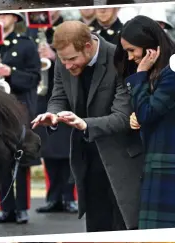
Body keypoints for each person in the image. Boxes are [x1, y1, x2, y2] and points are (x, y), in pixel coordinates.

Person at [32, 20, 144, 232]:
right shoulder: (64, 58)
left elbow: (123, 117)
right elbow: (58, 96)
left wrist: (85, 124)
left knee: (125, 228)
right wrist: (53, 115)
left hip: (121, 160)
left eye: (72, 59)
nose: (66, 65)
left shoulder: (119, 58)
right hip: (87, 159)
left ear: (88, 46)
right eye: (62, 60)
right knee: (96, 228)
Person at [113, 15, 175, 229]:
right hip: (161, 151)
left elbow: (148, 112)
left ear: (150, 47)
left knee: (170, 231)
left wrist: (140, 74)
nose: (131, 57)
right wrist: (139, 116)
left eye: (132, 50)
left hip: (174, 155)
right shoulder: (161, 67)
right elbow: (149, 111)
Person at [0, 12, 41, 224]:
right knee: (1, 162)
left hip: (19, 109)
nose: (1, 17)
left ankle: (22, 208)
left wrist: (10, 72)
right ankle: (6, 209)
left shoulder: (26, 45)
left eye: (6, 14)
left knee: (21, 162)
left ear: (15, 18)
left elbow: (34, 77)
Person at [29, 11, 78, 214]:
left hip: (66, 96)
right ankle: (53, 198)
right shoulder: (33, 31)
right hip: (43, 96)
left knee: (67, 152)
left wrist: (55, 56)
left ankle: (69, 197)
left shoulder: (70, 29)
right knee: (48, 152)